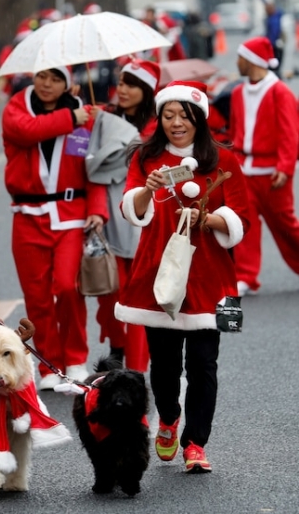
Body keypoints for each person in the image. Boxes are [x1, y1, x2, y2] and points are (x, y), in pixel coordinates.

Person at [115, 80, 249, 473]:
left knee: (205, 364)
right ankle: (169, 419)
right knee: (166, 362)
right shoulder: (146, 158)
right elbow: (131, 209)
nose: (176, 123)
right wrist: (146, 190)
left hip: (213, 276)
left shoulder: (224, 160)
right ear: (159, 119)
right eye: (168, 115)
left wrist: (209, 219)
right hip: (160, 272)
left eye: (185, 116)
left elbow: (241, 217)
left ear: (200, 118)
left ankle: (196, 443)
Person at [1, 65, 108, 389]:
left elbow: (96, 168)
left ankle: (75, 359)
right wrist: (70, 118)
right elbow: (27, 131)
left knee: (67, 287)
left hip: (71, 213)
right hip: (27, 214)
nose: (47, 84)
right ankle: (48, 366)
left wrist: (98, 210)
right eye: (42, 76)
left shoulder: (84, 116)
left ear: (68, 83)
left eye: (56, 78)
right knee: (37, 296)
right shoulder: (17, 107)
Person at [88, 59, 160, 372]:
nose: (123, 90)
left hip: (145, 214)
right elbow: (91, 169)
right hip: (109, 212)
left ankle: (137, 366)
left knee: (141, 294)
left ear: (146, 91)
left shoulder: (158, 125)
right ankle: (117, 344)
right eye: (121, 83)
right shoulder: (103, 118)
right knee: (111, 291)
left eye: (131, 84)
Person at [228, 37, 299, 296]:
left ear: (252, 60)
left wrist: (285, 166)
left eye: (240, 57)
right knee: (245, 223)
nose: (237, 62)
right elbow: (235, 132)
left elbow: (290, 133)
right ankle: (245, 276)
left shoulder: (280, 91)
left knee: (285, 224)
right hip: (244, 170)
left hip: (273, 172)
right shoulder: (238, 92)